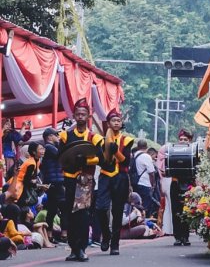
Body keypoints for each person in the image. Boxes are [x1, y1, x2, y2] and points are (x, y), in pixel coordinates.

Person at [59, 98, 104, 262]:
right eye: (77, 114)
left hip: (85, 180)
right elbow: (60, 157)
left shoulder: (94, 137)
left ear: (88, 116)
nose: (80, 117)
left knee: (83, 215)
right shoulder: (65, 135)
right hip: (70, 179)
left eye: (83, 114)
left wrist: (85, 161)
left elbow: (101, 159)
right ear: (74, 116)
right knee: (70, 215)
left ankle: (82, 248)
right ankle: (73, 249)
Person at [95, 109, 134, 255]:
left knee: (117, 211)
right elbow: (101, 162)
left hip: (120, 178)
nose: (116, 123)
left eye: (118, 120)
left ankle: (115, 244)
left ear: (121, 122)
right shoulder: (100, 140)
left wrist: (116, 151)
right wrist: (104, 153)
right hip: (105, 176)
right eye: (113, 120)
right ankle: (106, 234)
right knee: (100, 208)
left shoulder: (127, 140)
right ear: (109, 123)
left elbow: (126, 161)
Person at [40, 128, 65, 243]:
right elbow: (61, 155)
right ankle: (64, 233)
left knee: (52, 208)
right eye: (56, 135)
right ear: (49, 137)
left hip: (53, 181)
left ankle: (50, 234)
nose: (58, 137)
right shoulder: (50, 148)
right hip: (55, 181)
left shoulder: (50, 148)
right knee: (63, 207)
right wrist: (62, 142)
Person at [171, 129, 194, 246]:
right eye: (181, 139)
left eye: (185, 139)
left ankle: (185, 236)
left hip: (189, 184)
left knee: (187, 211)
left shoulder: (194, 153)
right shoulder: (172, 152)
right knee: (176, 210)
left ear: (190, 141)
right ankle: (178, 237)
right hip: (175, 183)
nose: (182, 141)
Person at [15, 141, 47, 210]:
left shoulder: (36, 161)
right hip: (19, 188)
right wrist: (40, 186)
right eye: (40, 149)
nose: (43, 151)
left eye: (43, 149)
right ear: (34, 152)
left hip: (21, 187)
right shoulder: (31, 163)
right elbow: (26, 181)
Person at [132, 139, 158, 218]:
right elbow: (151, 173)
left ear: (138, 146)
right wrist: (153, 184)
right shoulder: (146, 156)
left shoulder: (134, 155)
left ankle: (136, 221)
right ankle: (144, 224)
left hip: (135, 183)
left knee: (137, 205)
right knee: (145, 206)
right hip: (145, 184)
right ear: (146, 147)